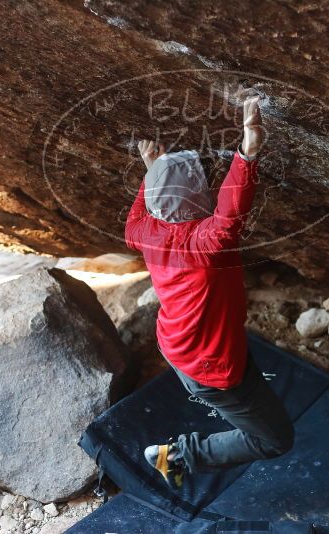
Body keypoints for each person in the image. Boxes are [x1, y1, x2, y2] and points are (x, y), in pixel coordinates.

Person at [124, 96, 294, 488]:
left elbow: (145, 210)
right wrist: (247, 151)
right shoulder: (205, 243)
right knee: (274, 439)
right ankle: (178, 456)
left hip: (177, 346)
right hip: (213, 367)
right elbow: (231, 211)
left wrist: (154, 172)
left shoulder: (143, 233)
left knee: (251, 401)